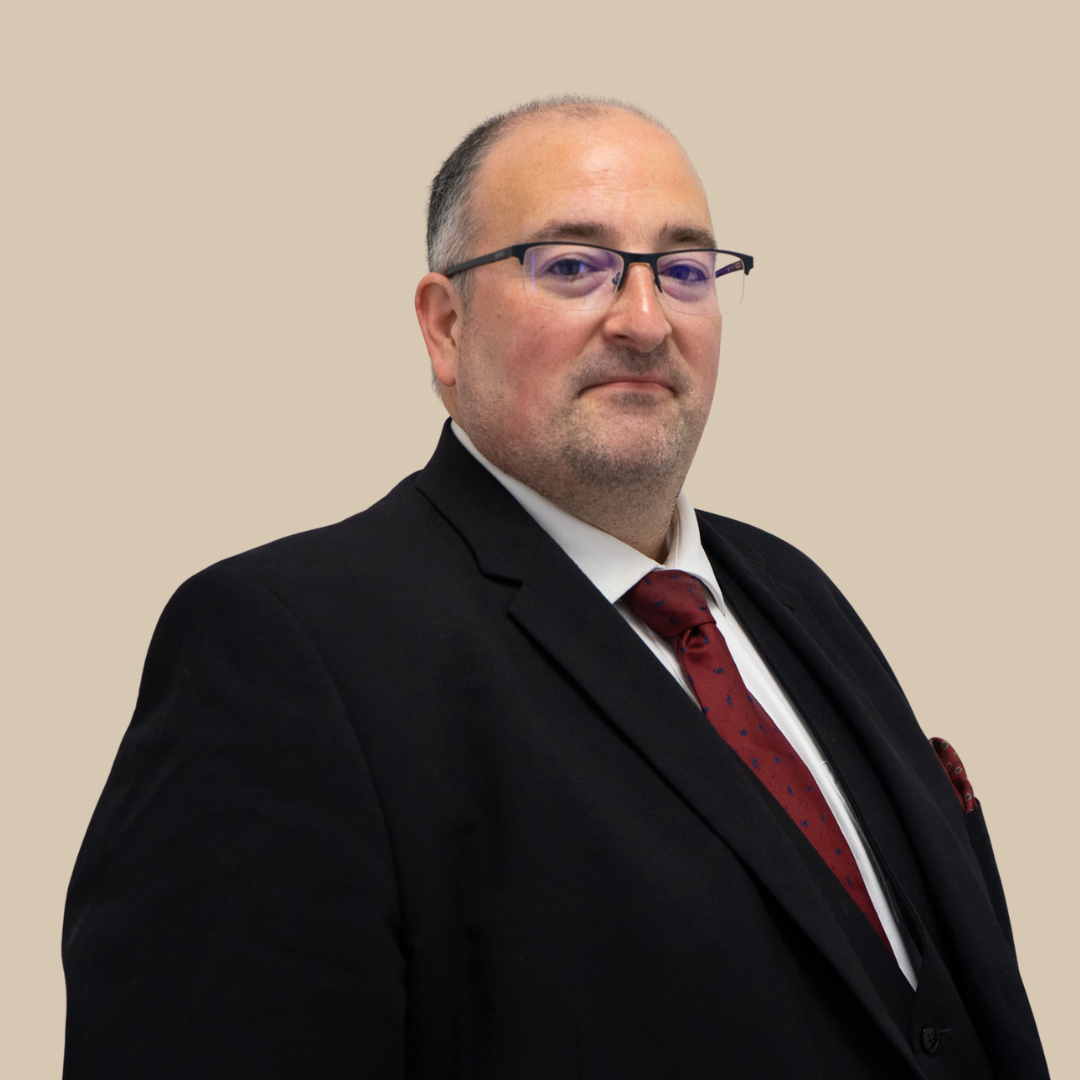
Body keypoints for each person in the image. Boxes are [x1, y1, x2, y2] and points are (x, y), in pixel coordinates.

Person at [62, 97, 1049, 1079]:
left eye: (685, 269)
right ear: (446, 325)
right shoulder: (286, 650)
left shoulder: (793, 592)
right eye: (573, 267)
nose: (645, 319)